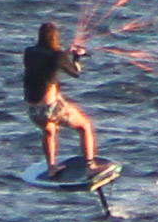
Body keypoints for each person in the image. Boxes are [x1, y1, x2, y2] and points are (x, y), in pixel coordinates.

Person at [24, 21, 101, 178]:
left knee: (49, 130)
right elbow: (75, 72)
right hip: (50, 109)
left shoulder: (29, 52)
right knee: (85, 126)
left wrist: (64, 53)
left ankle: (51, 167)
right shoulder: (57, 56)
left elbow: (47, 61)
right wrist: (76, 58)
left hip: (33, 111)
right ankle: (90, 167)